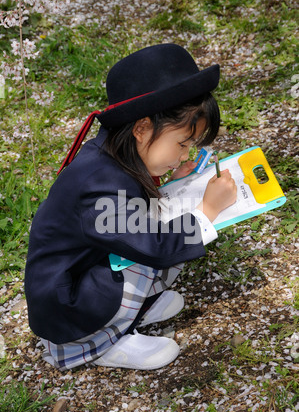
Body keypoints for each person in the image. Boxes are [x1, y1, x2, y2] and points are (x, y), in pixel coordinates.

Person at [24, 43, 237, 371]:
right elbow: (153, 245)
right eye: (182, 144)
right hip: (69, 307)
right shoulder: (97, 186)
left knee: (164, 225)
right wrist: (207, 210)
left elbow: (130, 208)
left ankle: (135, 308)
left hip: (86, 274)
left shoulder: (111, 155)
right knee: (164, 239)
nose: (185, 155)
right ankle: (102, 344)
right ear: (142, 129)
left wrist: (168, 177)